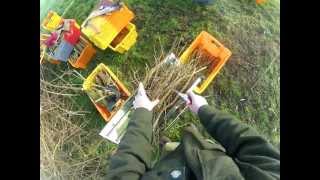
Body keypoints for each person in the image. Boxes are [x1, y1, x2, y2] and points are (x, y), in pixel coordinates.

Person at [106, 83, 280, 180]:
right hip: (201, 153)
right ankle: (170, 148)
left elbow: (124, 171)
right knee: (175, 149)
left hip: (167, 172)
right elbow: (249, 142)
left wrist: (142, 112)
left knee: (172, 155)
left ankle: (170, 151)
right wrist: (203, 110)